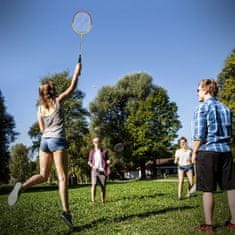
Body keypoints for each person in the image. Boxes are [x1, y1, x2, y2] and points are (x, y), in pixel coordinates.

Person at [8, 55, 82, 230]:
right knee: (62, 177)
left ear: (41, 94)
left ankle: (22, 186)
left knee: (43, 175)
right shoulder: (58, 101)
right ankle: (66, 211)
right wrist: (77, 72)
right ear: (52, 91)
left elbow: (41, 129)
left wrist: (49, 130)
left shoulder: (39, 109)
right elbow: (72, 87)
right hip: (57, 140)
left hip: (44, 142)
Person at [192, 79, 235, 232]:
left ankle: (209, 224)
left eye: (198, 90)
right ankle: (233, 221)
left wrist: (193, 152)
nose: (197, 93)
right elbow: (230, 133)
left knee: (208, 189)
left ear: (206, 90)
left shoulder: (201, 108)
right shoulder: (226, 108)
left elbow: (199, 136)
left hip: (208, 151)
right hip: (226, 151)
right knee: (230, 188)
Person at [88, 137, 110, 204]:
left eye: (98, 142)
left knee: (103, 187)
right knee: (94, 185)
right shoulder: (92, 152)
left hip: (102, 171)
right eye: (95, 142)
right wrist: (93, 166)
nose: (96, 143)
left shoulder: (104, 151)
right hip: (94, 171)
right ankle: (93, 201)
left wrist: (108, 161)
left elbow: (107, 160)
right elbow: (89, 162)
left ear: (100, 143)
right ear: (93, 143)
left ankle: (103, 201)